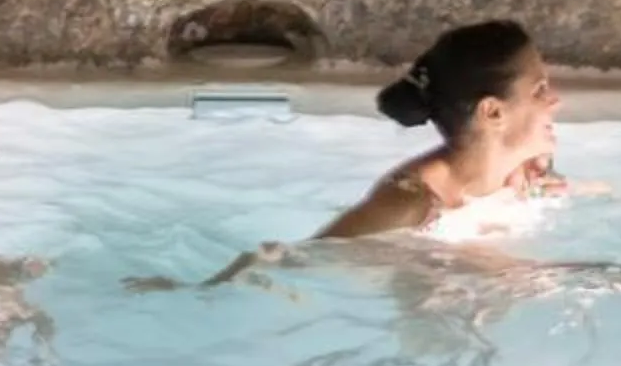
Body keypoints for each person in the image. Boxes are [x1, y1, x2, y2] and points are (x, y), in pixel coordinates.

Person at [147, 20, 561, 289]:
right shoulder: (410, 204)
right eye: (540, 90)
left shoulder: (526, 175)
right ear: (492, 112)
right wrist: (195, 292)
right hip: (436, 360)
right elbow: (290, 257)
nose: (556, 102)